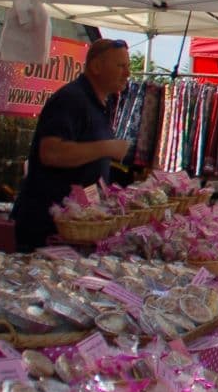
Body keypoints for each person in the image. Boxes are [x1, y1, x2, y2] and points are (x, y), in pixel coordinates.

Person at [10, 37, 134, 251]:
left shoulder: (98, 103)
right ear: (96, 66)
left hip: (75, 227)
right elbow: (51, 152)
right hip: (48, 228)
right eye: (120, 66)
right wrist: (107, 147)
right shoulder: (71, 99)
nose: (127, 73)